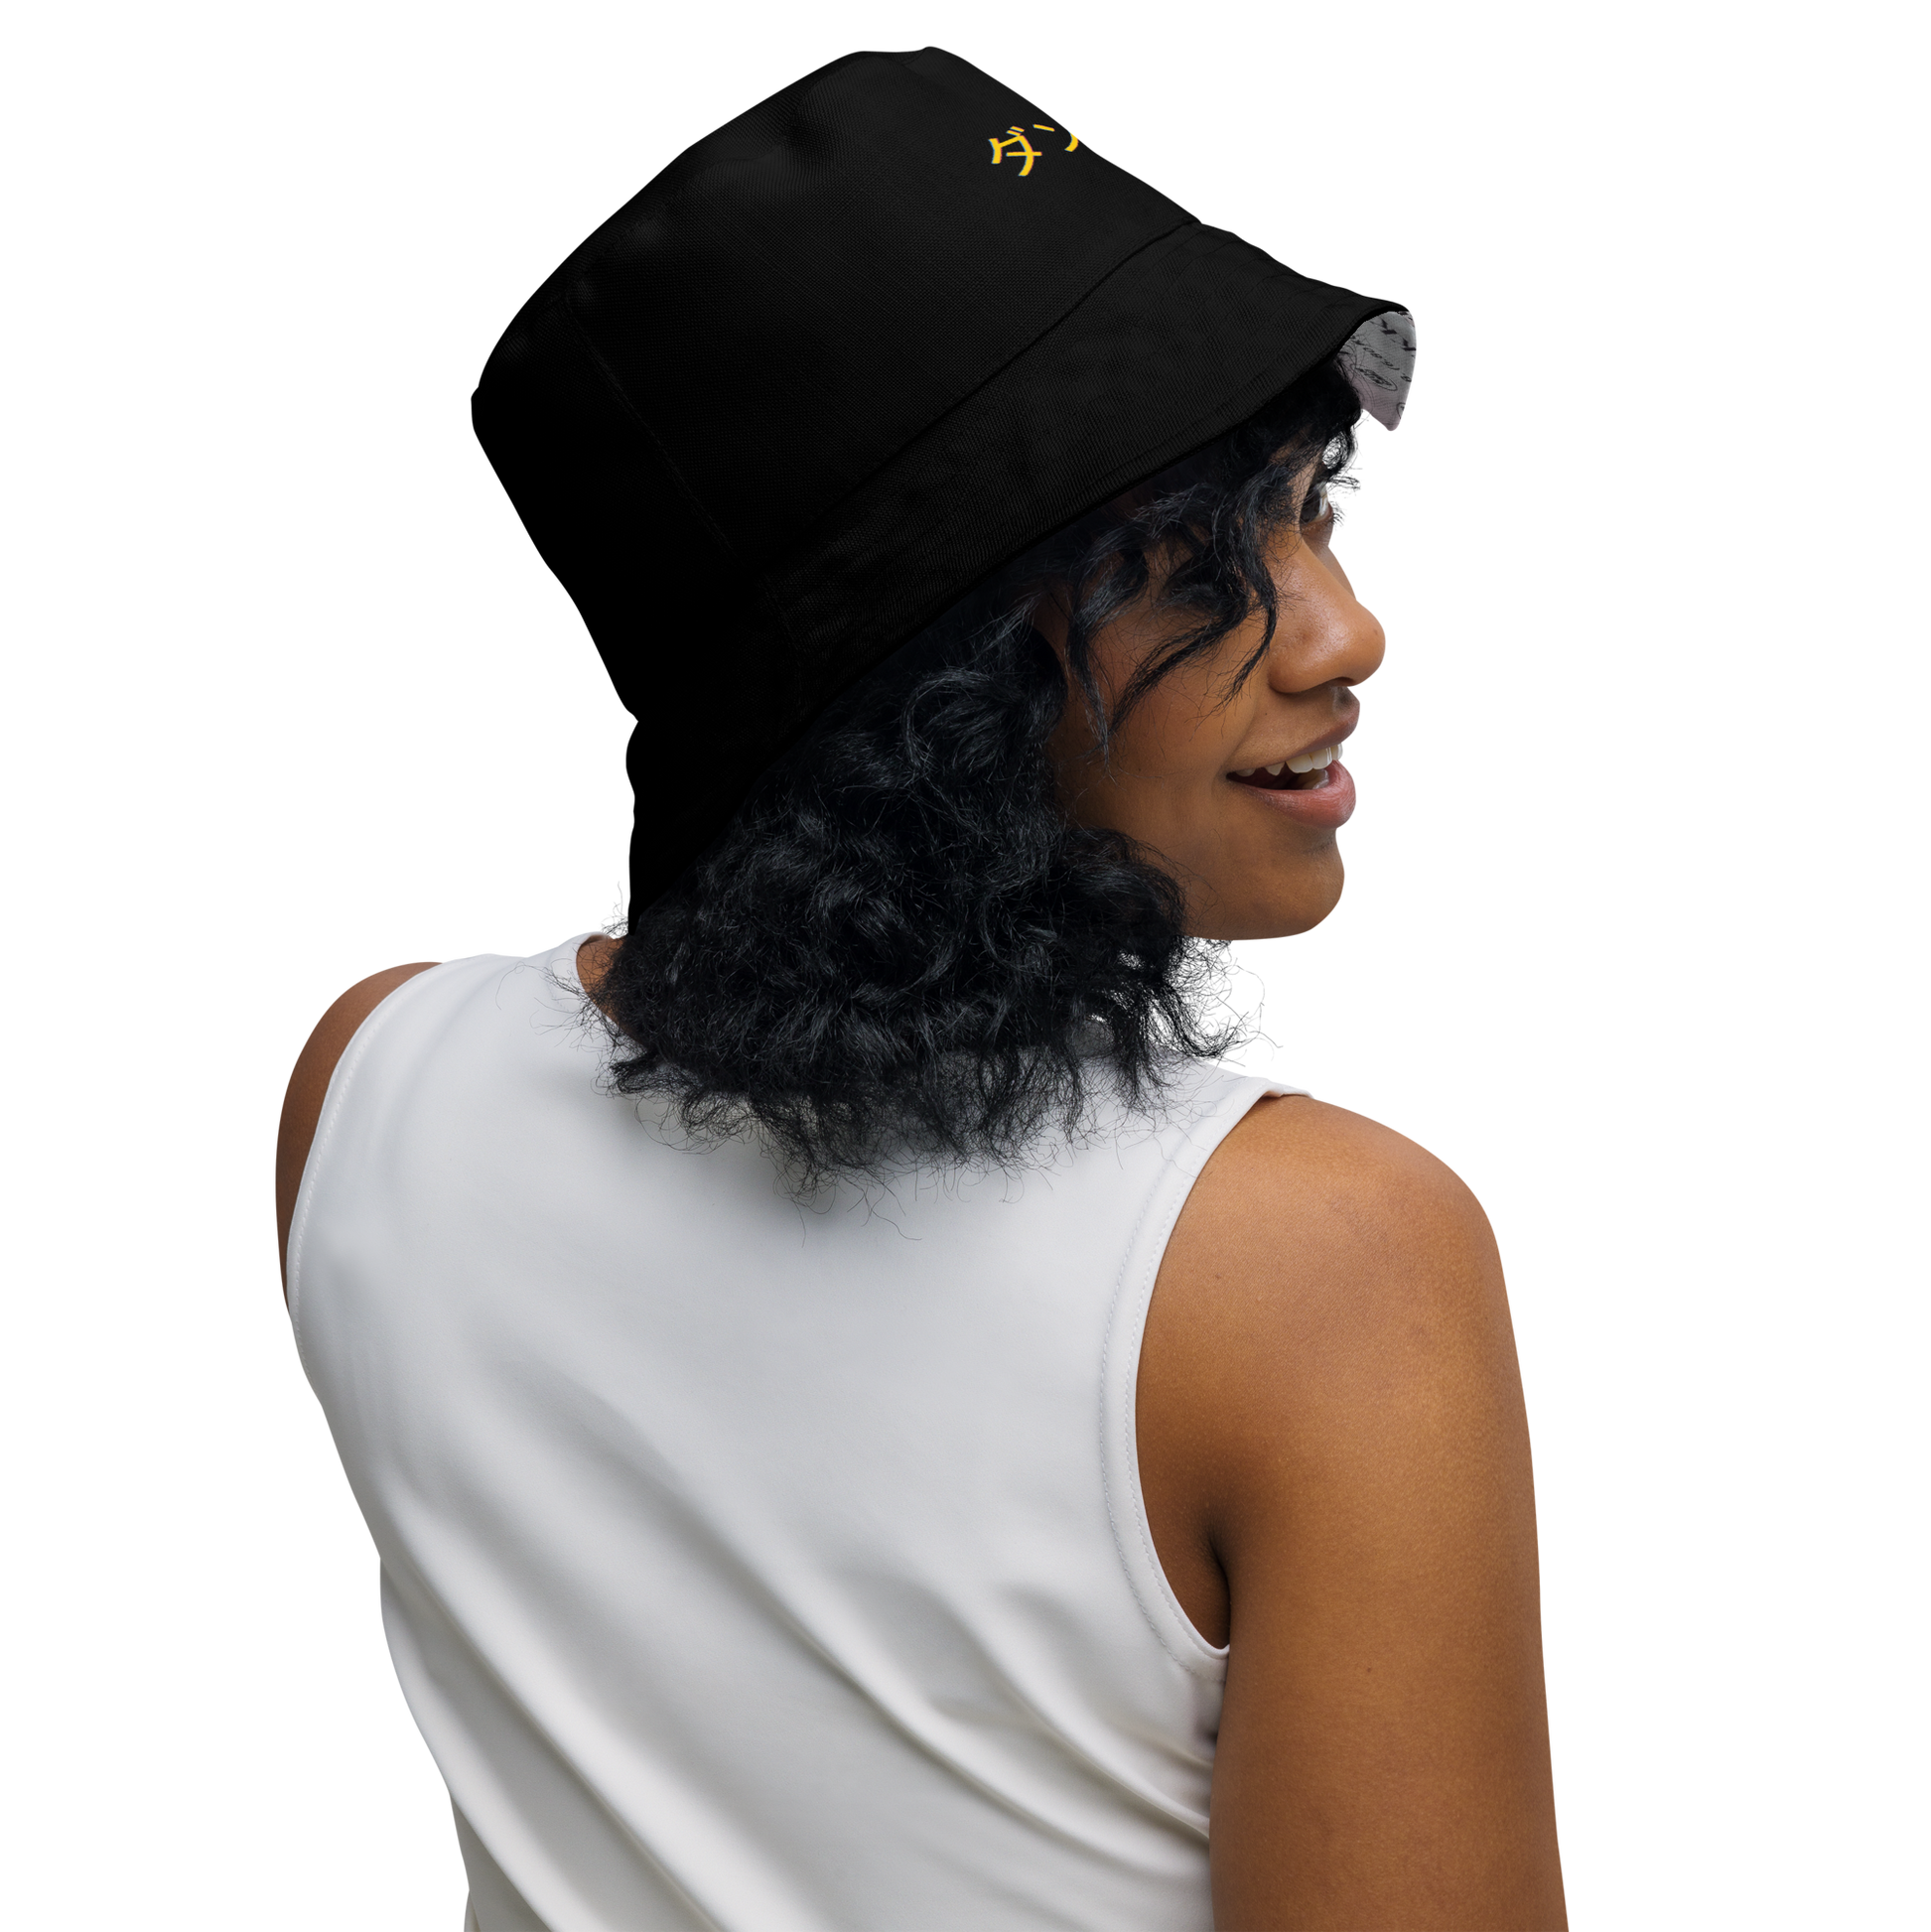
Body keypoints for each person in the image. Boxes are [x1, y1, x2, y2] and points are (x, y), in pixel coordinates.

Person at [273, 47, 1569, 1931]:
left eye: (1315, 506)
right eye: (1193, 564)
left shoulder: (374, 1078)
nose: (1347, 630)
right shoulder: (1326, 1257)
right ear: (923, 683)